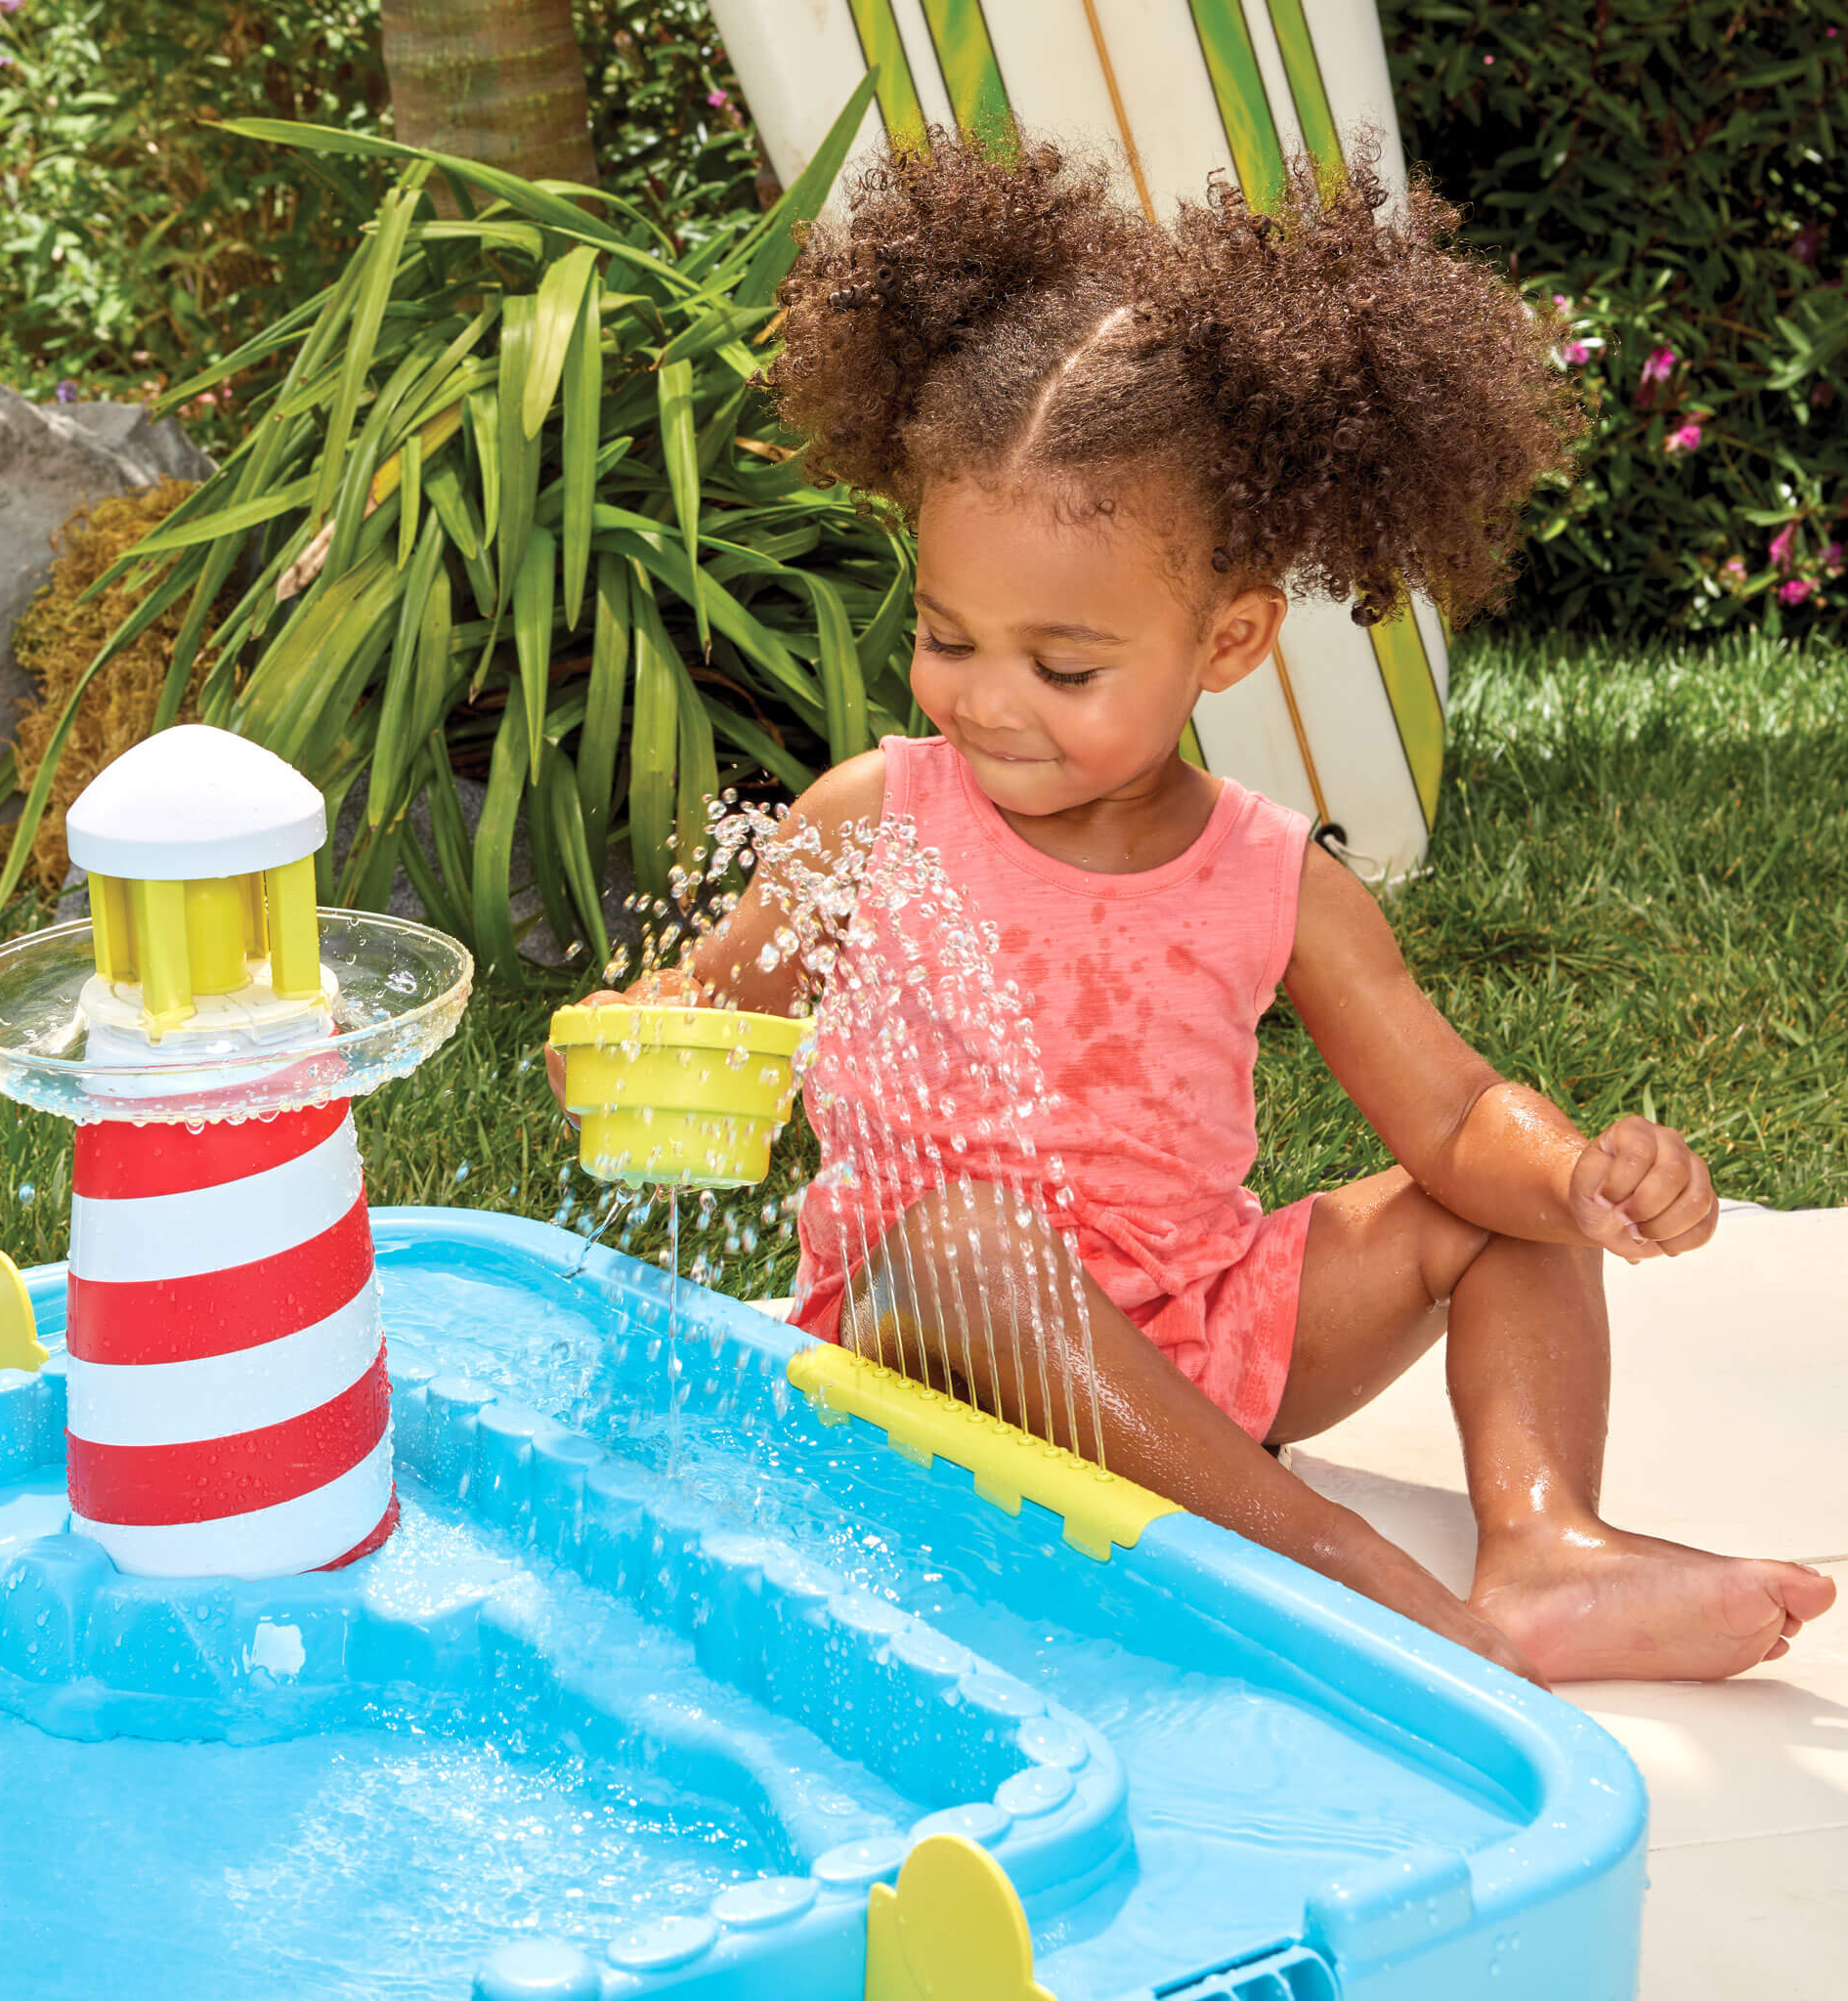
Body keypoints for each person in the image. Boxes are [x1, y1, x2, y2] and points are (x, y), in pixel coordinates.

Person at [551, 127, 1833, 1686]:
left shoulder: (1271, 872)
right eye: (949, 638)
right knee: (964, 1239)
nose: (989, 700)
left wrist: (1570, 1179)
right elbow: (715, 1008)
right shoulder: (876, 819)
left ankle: (1551, 1543)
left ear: (1225, 643)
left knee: (1484, 1206)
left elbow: (1450, 1115)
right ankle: (1332, 1563)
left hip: (1202, 1347)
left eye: (1064, 666)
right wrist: (634, 1039)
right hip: (934, 1359)